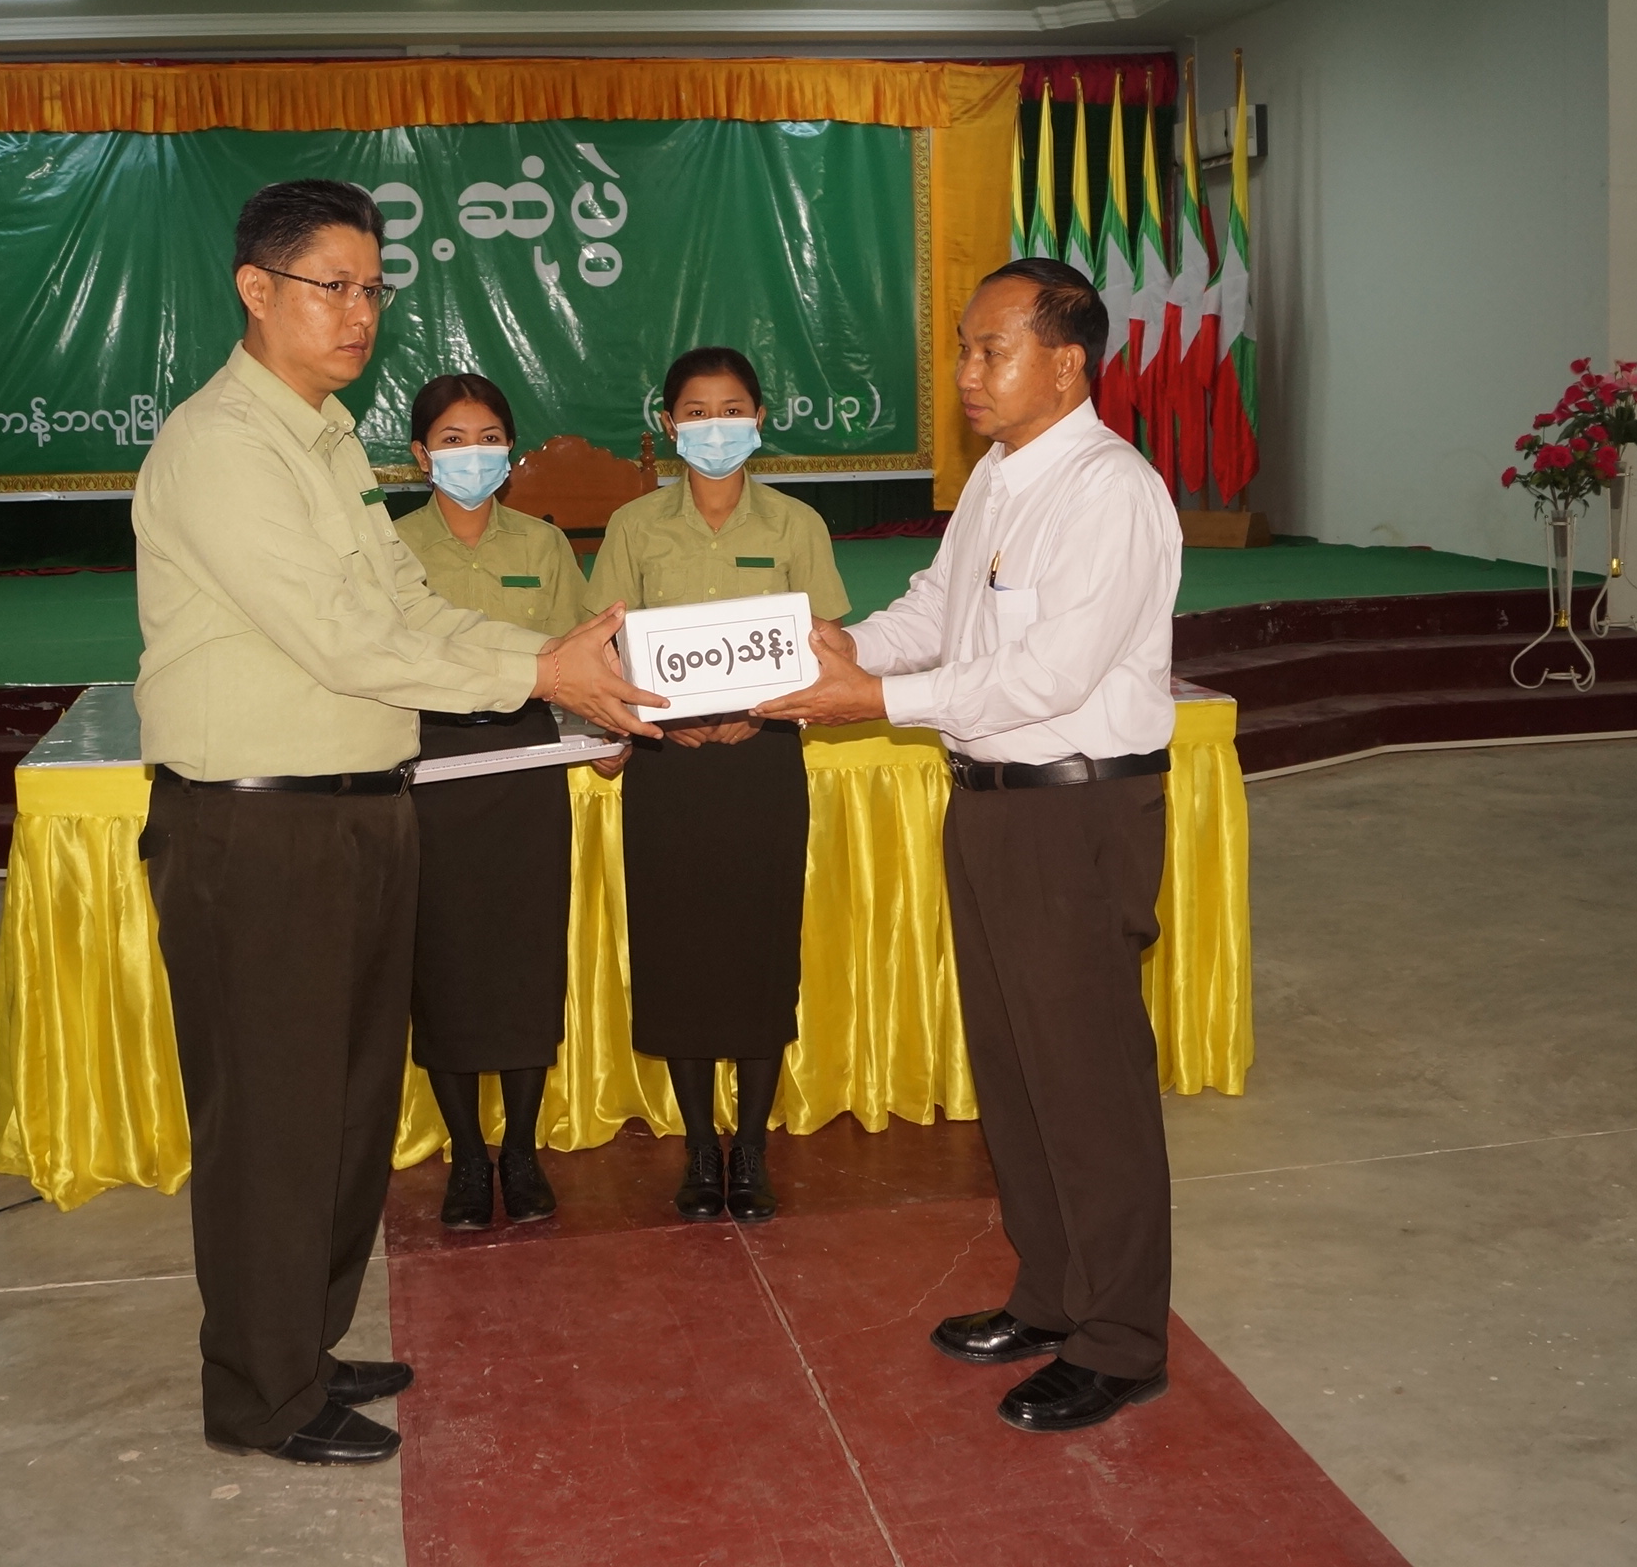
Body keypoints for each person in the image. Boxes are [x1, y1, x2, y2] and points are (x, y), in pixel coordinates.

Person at [132, 180, 662, 1467]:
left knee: (347, 1108)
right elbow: (341, 638)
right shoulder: (222, 447)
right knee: (275, 1122)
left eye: (374, 288)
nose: (360, 313)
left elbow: (410, 612)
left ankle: (301, 1348)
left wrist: (554, 659)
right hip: (259, 831)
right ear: (256, 291)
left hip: (362, 816)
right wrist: (540, 673)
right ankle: (258, 1393)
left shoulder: (324, 443)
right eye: (333, 287)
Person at [755, 258, 1183, 1436]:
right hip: (992, 802)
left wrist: (874, 703)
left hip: (1075, 813)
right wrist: (843, 652)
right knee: (1016, 1068)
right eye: (962, 348)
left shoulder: (1111, 490)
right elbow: (940, 611)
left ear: (1068, 363)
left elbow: (1051, 675)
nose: (967, 373)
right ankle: (1052, 1296)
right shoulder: (1000, 476)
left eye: (993, 350)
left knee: (1087, 1081)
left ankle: (1121, 1340)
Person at [586, 347, 849, 1225]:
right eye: (695, 413)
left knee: (759, 952)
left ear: (760, 419)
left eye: (731, 410)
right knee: (681, 955)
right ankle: (701, 1148)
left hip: (761, 764)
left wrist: (766, 714)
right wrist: (659, 720)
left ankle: (754, 1149)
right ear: (669, 426)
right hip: (667, 768)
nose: (714, 428)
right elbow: (605, 649)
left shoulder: (797, 525)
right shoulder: (633, 527)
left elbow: (827, 649)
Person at [394, 372, 589, 1229]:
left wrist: (608, 729)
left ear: (510, 451)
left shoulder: (543, 546)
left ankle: (521, 1149)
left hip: (524, 763)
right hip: (428, 764)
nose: (471, 455)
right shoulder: (388, 548)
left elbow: (581, 656)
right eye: (451, 440)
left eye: (487, 439)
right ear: (420, 455)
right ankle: (468, 1155)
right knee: (442, 963)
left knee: (523, 957)